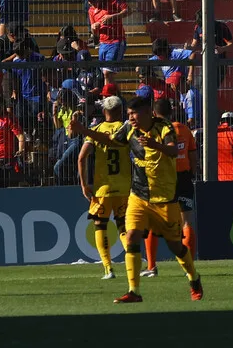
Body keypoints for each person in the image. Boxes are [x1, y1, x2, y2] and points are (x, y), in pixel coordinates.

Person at [70, 93, 203, 304]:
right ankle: (134, 291)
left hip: (164, 198)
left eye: (134, 113)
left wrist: (154, 144)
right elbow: (109, 141)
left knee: (175, 246)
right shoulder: (129, 129)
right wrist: (83, 131)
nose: (131, 117)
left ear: (148, 112)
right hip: (138, 195)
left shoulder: (165, 127)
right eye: (129, 113)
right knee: (130, 236)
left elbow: (171, 151)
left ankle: (194, 278)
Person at [143, 97, 198, 277]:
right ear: (172, 111)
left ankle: (151, 267)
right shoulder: (184, 129)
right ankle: (188, 266)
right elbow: (193, 155)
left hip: (163, 180)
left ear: (153, 113)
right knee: (187, 222)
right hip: (183, 178)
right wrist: (191, 172)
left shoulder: (154, 131)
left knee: (152, 222)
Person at [78, 94, 130, 281]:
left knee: (100, 227)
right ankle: (134, 260)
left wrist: (84, 184)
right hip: (125, 187)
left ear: (104, 111)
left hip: (103, 189)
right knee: (124, 227)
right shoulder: (126, 128)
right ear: (120, 110)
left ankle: (108, 268)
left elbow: (82, 158)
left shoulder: (96, 130)